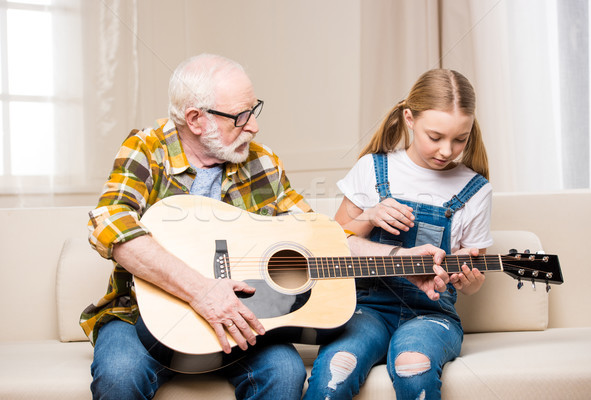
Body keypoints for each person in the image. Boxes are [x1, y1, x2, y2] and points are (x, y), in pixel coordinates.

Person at [80, 54, 451, 400]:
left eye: (253, 110)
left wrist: (401, 257)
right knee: (120, 374)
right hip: (139, 317)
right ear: (195, 120)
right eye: (240, 116)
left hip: (244, 320)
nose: (254, 127)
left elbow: (320, 239)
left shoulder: (263, 163)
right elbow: (109, 224)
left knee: (285, 372)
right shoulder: (145, 149)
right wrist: (203, 292)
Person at [304, 69, 493, 400]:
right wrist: (369, 215)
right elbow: (330, 251)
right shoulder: (372, 169)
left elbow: (475, 280)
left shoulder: (476, 189)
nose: (447, 150)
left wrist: (468, 279)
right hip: (365, 308)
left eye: (459, 139)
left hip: (432, 313)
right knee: (338, 367)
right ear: (409, 118)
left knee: (413, 366)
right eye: (435, 137)